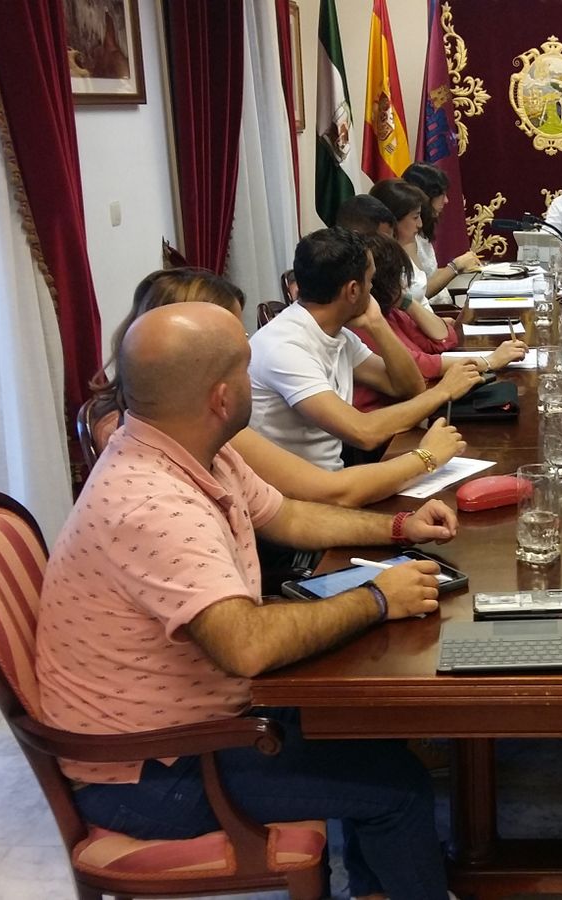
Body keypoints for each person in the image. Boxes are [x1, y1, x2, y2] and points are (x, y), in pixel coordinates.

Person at [41, 302, 459, 899]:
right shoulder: (152, 503)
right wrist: (376, 598)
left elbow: (289, 516)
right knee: (398, 789)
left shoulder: (190, 446)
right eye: (245, 367)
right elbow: (246, 646)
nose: (253, 381)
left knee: (371, 723)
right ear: (219, 395)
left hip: (196, 723)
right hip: (154, 767)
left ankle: (381, 888)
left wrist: (399, 530)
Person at [89, 267, 466, 510]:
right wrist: (427, 457)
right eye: (235, 337)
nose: (247, 349)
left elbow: (295, 518)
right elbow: (330, 493)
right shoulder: (199, 426)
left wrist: (398, 528)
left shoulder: (176, 416)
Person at [247, 227, 483, 469]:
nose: (372, 289)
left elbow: (408, 387)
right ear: (353, 290)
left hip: (332, 476)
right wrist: (443, 391)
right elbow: (363, 433)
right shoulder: (286, 347)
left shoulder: (338, 334)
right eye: (370, 281)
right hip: (298, 494)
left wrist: (378, 325)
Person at [351, 233, 526, 413]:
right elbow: (419, 364)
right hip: (390, 416)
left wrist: (406, 300)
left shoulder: (392, 311)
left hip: (412, 405)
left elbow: (443, 339)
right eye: (398, 276)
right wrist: (488, 361)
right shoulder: (364, 324)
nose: (404, 282)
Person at [371, 177, 480, 308]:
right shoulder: (381, 264)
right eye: (415, 217)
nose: (420, 224)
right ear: (393, 220)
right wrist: (454, 267)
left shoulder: (402, 246)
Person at [402, 162, 483, 306]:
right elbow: (419, 292)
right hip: (436, 312)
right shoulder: (407, 237)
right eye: (442, 195)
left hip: (444, 307)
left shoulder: (422, 232)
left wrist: (461, 266)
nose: (446, 200)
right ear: (426, 197)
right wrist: (455, 266)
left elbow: (429, 274)